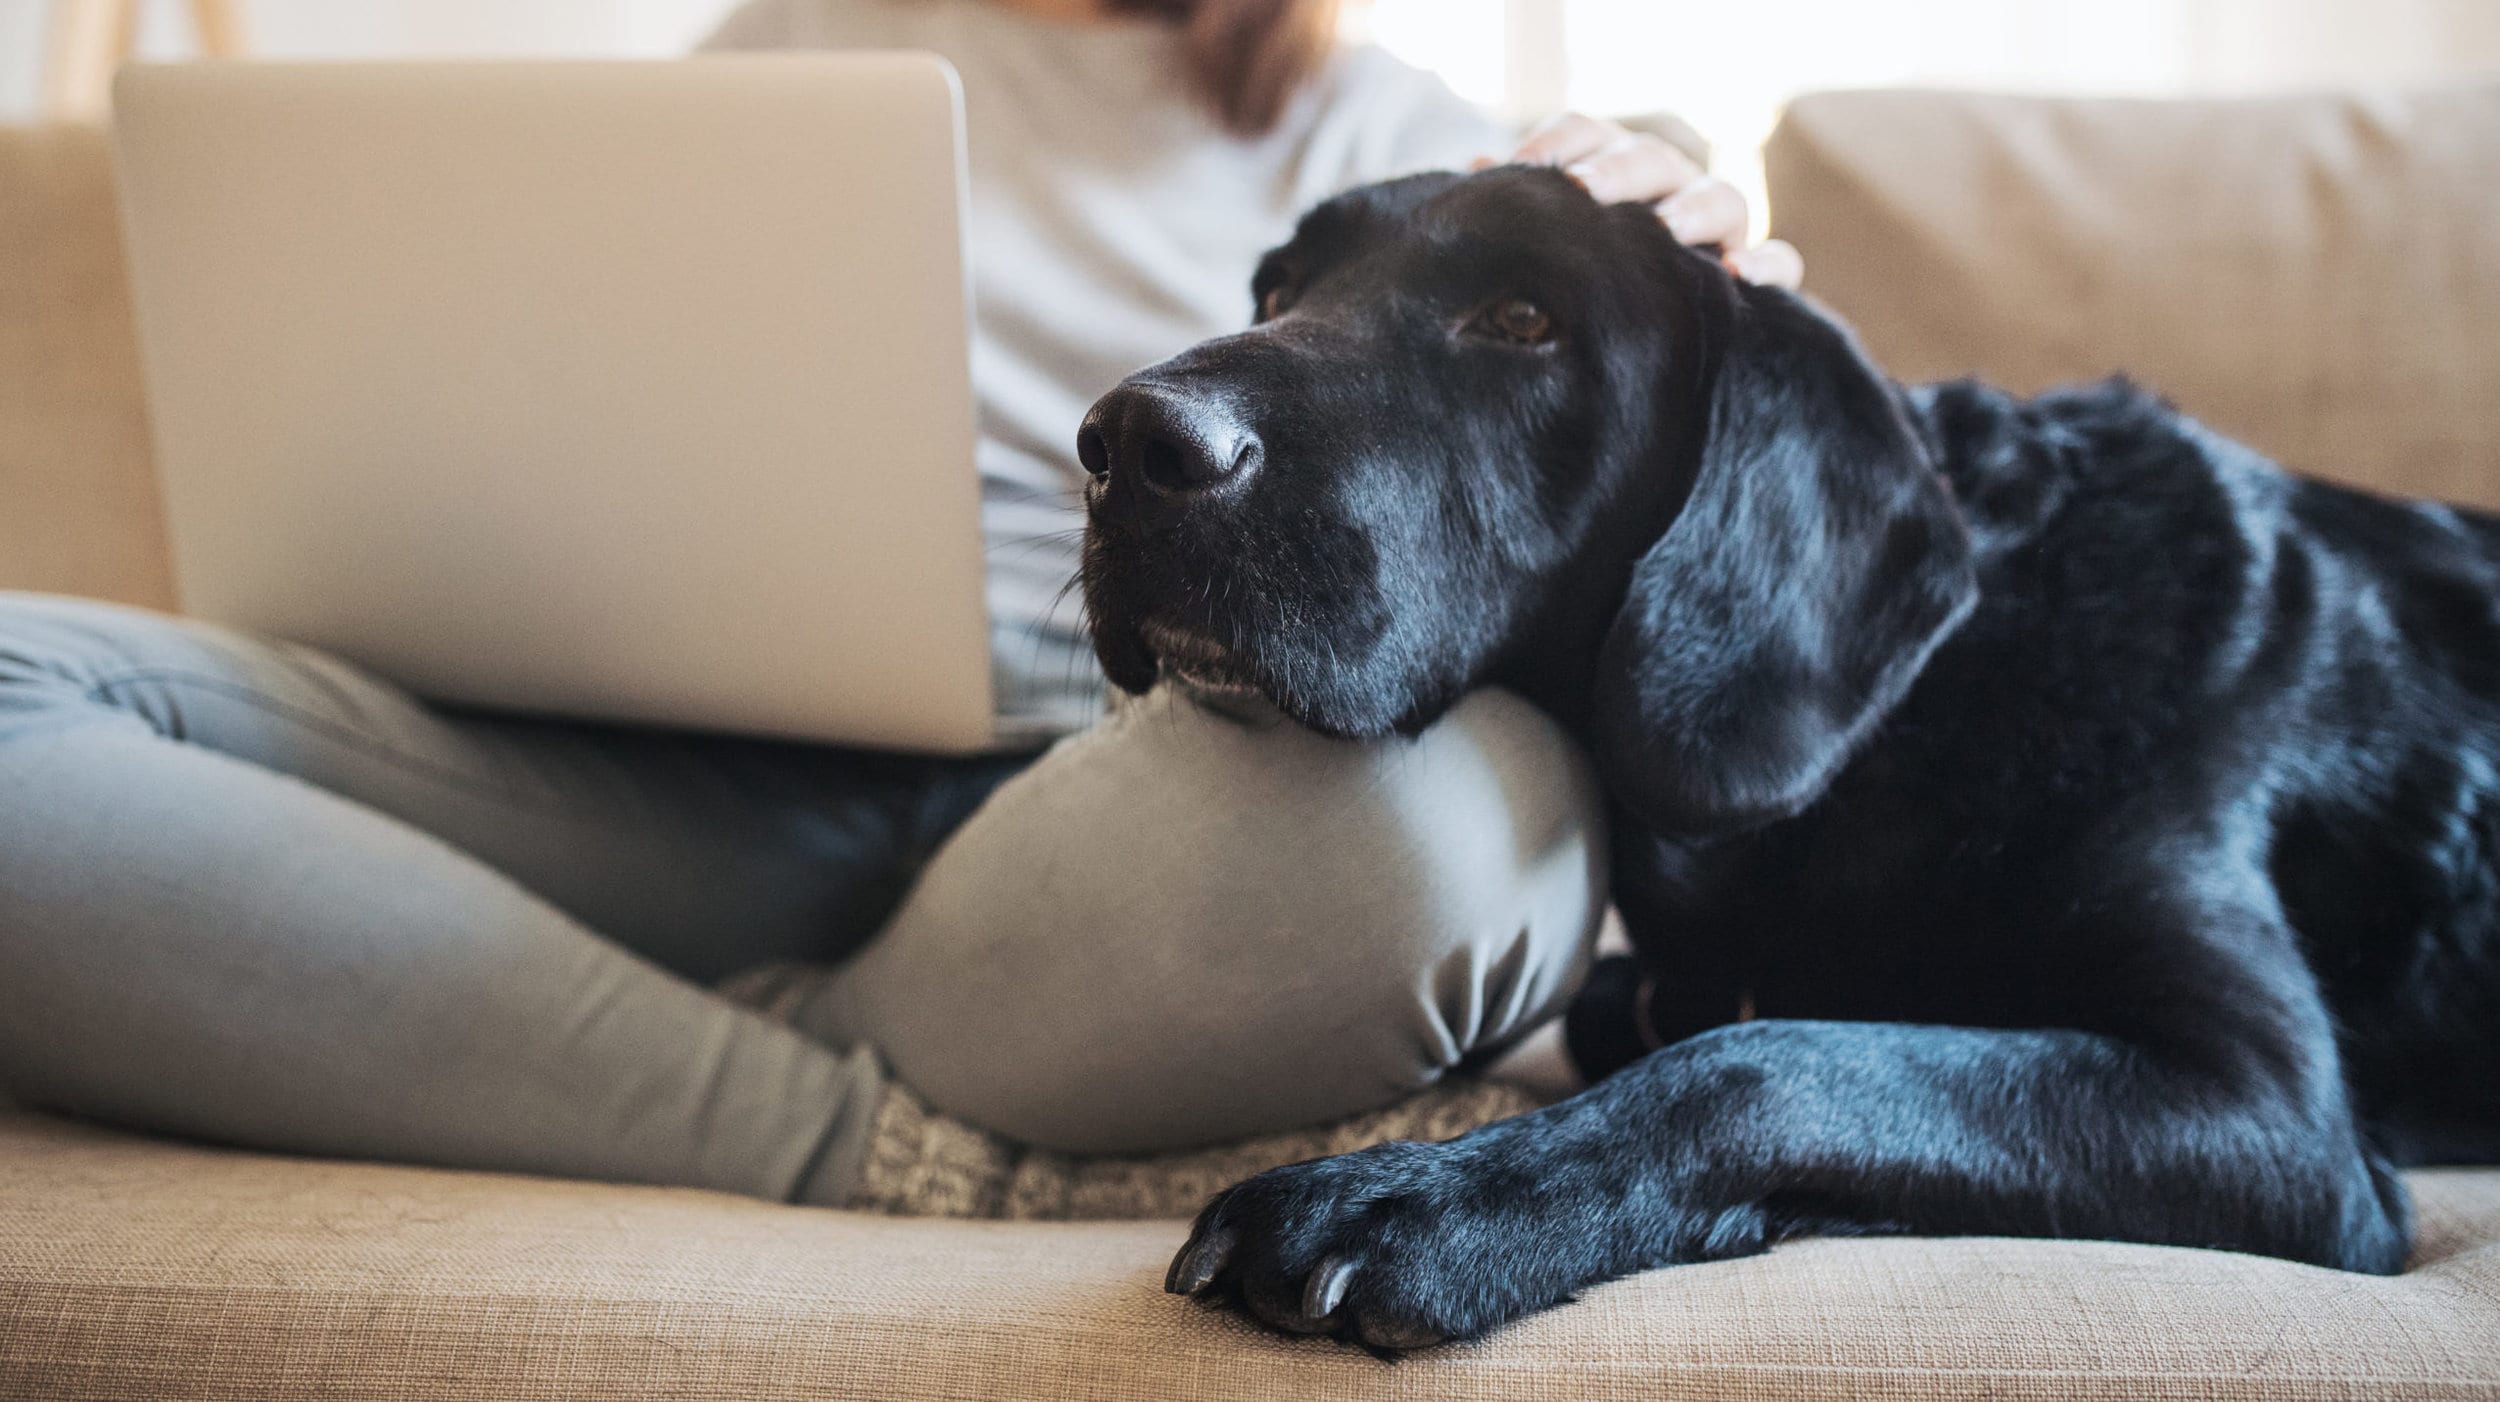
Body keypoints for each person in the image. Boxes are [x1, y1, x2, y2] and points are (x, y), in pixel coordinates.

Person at [0, 0, 1800, 1208]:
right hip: (652, 762)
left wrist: (1685, 259)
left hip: (1115, 813)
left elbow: (1611, 496)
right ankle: (855, 1129)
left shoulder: (1424, 147)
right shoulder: (786, 47)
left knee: (1461, 842)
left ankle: (523, 1019)